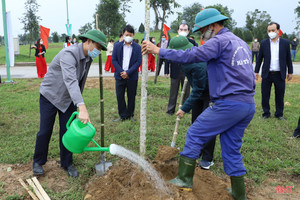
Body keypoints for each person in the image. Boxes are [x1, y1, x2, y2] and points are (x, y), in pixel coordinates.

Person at [142, 8, 255, 200]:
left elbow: (190, 55)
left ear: (212, 26)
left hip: (228, 103)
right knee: (231, 149)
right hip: (247, 105)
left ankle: (184, 180)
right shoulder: (240, 42)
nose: (202, 35)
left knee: (195, 132)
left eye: (202, 31)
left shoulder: (219, 41)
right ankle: (238, 193)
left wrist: (159, 50)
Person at [32, 29, 107, 178]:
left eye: (100, 49)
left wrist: (77, 104)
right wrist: (82, 106)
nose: (98, 51)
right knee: (45, 130)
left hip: (68, 100)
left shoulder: (88, 58)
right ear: (88, 41)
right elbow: (70, 80)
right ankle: (38, 161)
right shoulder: (69, 54)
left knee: (68, 131)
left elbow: (80, 82)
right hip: (50, 96)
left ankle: (67, 163)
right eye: (98, 47)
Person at [169, 35, 216, 170]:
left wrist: (184, 108)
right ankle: (197, 151)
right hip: (199, 91)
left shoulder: (197, 64)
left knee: (207, 125)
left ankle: (207, 158)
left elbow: (199, 89)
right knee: (196, 123)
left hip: (210, 93)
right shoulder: (185, 60)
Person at [255, 22, 293, 120]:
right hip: (267, 74)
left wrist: (290, 72)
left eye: (273, 30)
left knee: (280, 95)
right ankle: (266, 113)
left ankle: (279, 114)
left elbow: (288, 58)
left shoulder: (285, 43)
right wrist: (256, 72)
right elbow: (259, 59)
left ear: (278, 31)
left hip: (279, 74)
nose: (271, 32)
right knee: (265, 95)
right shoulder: (264, 43)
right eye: (269, 31)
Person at [112, 25, 142, 122]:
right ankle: (122, 115)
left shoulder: (137, 47)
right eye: (126, 34)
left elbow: (138, 62)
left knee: (131, 96)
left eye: (130, 35)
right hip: (119, 76)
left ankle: (130, 114)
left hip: (132, 76)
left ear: (133, 35)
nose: (128, 36)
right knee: (120, 96)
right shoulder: (117, 46)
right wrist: (122, 72)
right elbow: (114, 60)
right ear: (123, 34)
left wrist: (128, 72)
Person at [165, 22, 193, 115]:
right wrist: (166, 70)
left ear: (188, 31)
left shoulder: (192, 42)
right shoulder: (172, 41)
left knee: (186, 91)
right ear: (178, 31)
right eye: (181, 29)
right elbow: (167, 55)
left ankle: (186, 109)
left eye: (185, 30)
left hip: (187, 71)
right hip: (175, 69)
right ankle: (170, 110)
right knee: (173, 91)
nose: (183, 31)